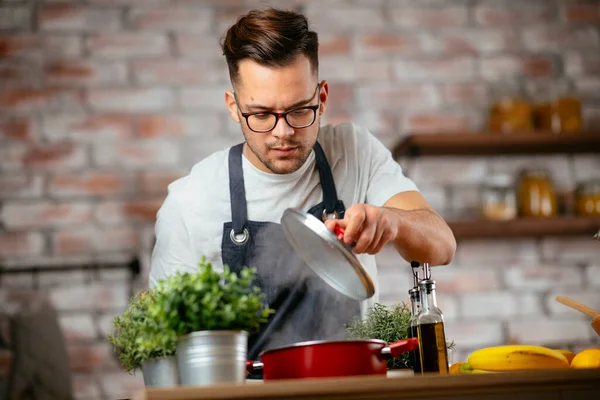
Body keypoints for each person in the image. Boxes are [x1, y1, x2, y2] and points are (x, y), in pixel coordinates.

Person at [149, 7, 456, 360]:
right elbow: (165, 351)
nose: (283, 133)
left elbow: (442, 245)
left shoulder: (353, 150)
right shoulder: (190, 201)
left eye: (299, 110)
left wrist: (394, 221)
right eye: (262, 114)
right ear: (233, 107)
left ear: (322, 98)